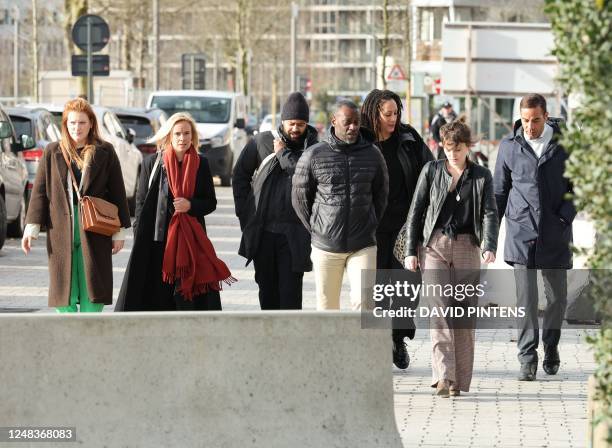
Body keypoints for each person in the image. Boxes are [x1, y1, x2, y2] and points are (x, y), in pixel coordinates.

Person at [404, 120, 498, 397]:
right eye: (448, 149)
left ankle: (459, 381)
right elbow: (416, 212)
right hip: (434, 247)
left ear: (468, 147)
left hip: (469, 246)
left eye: (458, 149)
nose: (453, 154)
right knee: (440, 312)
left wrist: (489, 245)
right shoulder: (431, 171)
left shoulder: (481, 176)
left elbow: (490, 213)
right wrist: (411, 250)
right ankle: (443, 377)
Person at [115, 112, 234, 311]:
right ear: (169, 135)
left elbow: (210, 202)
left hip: (190, 241)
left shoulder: (201, 163)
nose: (182, 138)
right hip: (158, 240)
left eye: (187, 133)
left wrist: (191, 205)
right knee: (157, 294)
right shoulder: (152, 163)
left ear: (192, 136)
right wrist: (139, 236)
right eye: (178, 133)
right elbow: (141, 203)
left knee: (189, 297)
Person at [494, 93, 575, 381]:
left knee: (556, 300)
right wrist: (490, 234)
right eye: (526, 121)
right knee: (525, 301)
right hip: (520, 233)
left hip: (556, 232)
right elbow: (499, 193)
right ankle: (527, 357)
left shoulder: (565, 145)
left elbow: (576, 187)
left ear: (546, 116)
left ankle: (551, 346)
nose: (530, 127)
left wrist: (564, 218)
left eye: (536, 120)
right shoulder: (509, 147)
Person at [21, 97, 131, 312]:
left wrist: (119, 233)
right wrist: (31, 227)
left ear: (91, 123)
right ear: (65, 124)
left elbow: (117, 194)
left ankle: (90, 332)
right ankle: (68, 334)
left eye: (81, 122)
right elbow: (40, 192)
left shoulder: (105, 151)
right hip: (61, 229)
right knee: (65, 289)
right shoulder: (53, 152)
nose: (76, 127)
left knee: (93, 282)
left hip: (95, 227)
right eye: (72, 122)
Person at [360, 89, 433, 369]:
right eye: (388, 114)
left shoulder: (409, 138)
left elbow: (430, 173)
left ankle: (397, 337)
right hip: (371, 228)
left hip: (406, 227)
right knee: (376, 288)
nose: (394, 119)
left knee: (407, 287)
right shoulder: (361, 141)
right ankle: (378, 342)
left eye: (396, 113)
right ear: (373, 113)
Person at [292, 100, 389, 310]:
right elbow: (300, 199)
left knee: (365, 305)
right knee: (327, 307)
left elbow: (381, 195)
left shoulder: (373, 154)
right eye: (348, 122)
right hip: (326, 246)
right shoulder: (313, 155)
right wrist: (318, 228)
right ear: (334, 120)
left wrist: (369, 223)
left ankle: (360, 345)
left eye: (357, 122)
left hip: (363, 244)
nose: (353, 127)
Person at [233, 92, 318, 309]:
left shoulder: (315, 148)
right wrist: (244, 212)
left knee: (290, 296)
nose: (295, 129)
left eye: (300, 124)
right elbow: (240, 176)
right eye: (291, 123)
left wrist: (282, 155)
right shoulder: (261, 142)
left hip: (295, 235)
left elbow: (304, 174)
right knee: (267, 292)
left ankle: (290, 342)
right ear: (282, 121)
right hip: (263, 234)